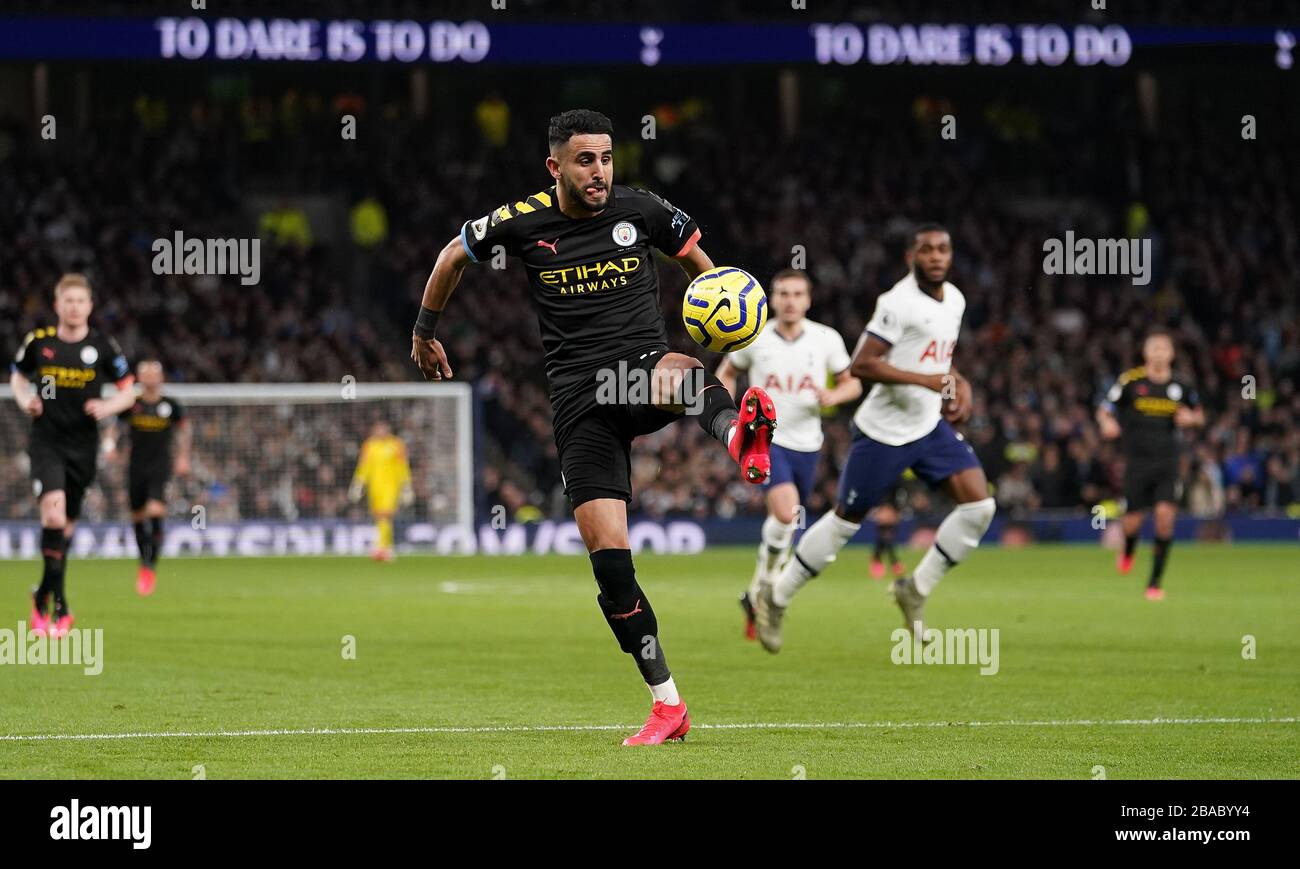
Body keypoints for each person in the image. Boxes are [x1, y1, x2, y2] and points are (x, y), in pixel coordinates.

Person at [410, 109, 776, 745]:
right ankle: (668, 704)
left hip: (634, 370)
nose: (599, 171)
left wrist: (725, 332)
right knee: (611, 569)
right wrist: (423, 333)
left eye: (606, 158)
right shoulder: (523, 222)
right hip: (577, 402)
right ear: (555, 167)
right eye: (585, 160)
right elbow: (451, 256)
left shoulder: (643, 210)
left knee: (677, 370)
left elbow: (711, 280)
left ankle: (735, 434)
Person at [754, 224, 996, 653]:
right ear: (911, 257)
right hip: (883, 432)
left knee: (979, 506)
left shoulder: (955, 300)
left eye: (944, 249)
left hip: (928, 427)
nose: (937, 257)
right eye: (927, 250)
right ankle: (777, 596)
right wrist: (927, 381)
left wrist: (961, 383)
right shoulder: (897, 303)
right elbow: (863, 365)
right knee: (846, 520)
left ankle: (915, 589)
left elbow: (941, 360)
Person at [716, 268, 860, 640]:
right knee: (786, 512)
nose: (790, 300)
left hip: (809, 445)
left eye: (797, 294)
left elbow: (853, 383)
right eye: (783, 293)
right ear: (771, 298)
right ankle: (767, 589)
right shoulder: (754, 336)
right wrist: (730, 417)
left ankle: (755, 592)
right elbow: (726, 373)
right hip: (767, 441)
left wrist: (835, 396)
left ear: (808, 300)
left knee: (787, 522)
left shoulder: (826, 339)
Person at [9, 274, 135, 636]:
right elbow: (18, 376)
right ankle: (59, 605)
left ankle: (43, 596)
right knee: (53, 514)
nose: (74, 307)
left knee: (65, 529)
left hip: (84, 447)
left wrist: (108, 405)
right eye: (68, 301)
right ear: (57, 304)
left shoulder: (103, 347)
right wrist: (25, 400)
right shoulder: (40, 343)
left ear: (90, 306)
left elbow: (129, 391)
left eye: (81, 301)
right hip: (47, 442)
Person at [1096, 330, 1204, 599]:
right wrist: (1107, 423)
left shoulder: (1182, 385)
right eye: (1153, 347)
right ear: (1146, 353)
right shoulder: (1131, 381)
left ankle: (1154, 583)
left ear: (1171, 354)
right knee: (1132, 522)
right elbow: (1104, 408)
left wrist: (1191, 419)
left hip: (1168, 463)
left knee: (1165, 520)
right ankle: (1129, 549)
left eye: (1163, 348)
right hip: (1136, 463)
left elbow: (1200, 415)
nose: (1158, 353)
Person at [117, 360, 191, 595]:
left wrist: (183, 457)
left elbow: (184, 430)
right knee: (138, 515)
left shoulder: (171, 405)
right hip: (135, 466)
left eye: (153, 374)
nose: (149, 378)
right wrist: (110, 446)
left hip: (161, 467)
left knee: (156, 511)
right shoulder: (132, 404)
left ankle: (150, 567)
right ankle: (143, 562)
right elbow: (114, 426)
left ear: (161, 378)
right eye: (145, 374)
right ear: (139, 378)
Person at [349, 420, 413, 561]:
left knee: (385, 515)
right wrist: (358, 483)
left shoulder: (396, 444)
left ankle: (380, 548)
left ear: (388, 429)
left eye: (383, 428)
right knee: (380, 517)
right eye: (378, 429)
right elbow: (364, 466)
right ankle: (388, 549)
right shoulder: (369, 445)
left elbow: (402, 466)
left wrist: (406, 486)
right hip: (374, 487)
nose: (380, 431)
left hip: (391, 486)